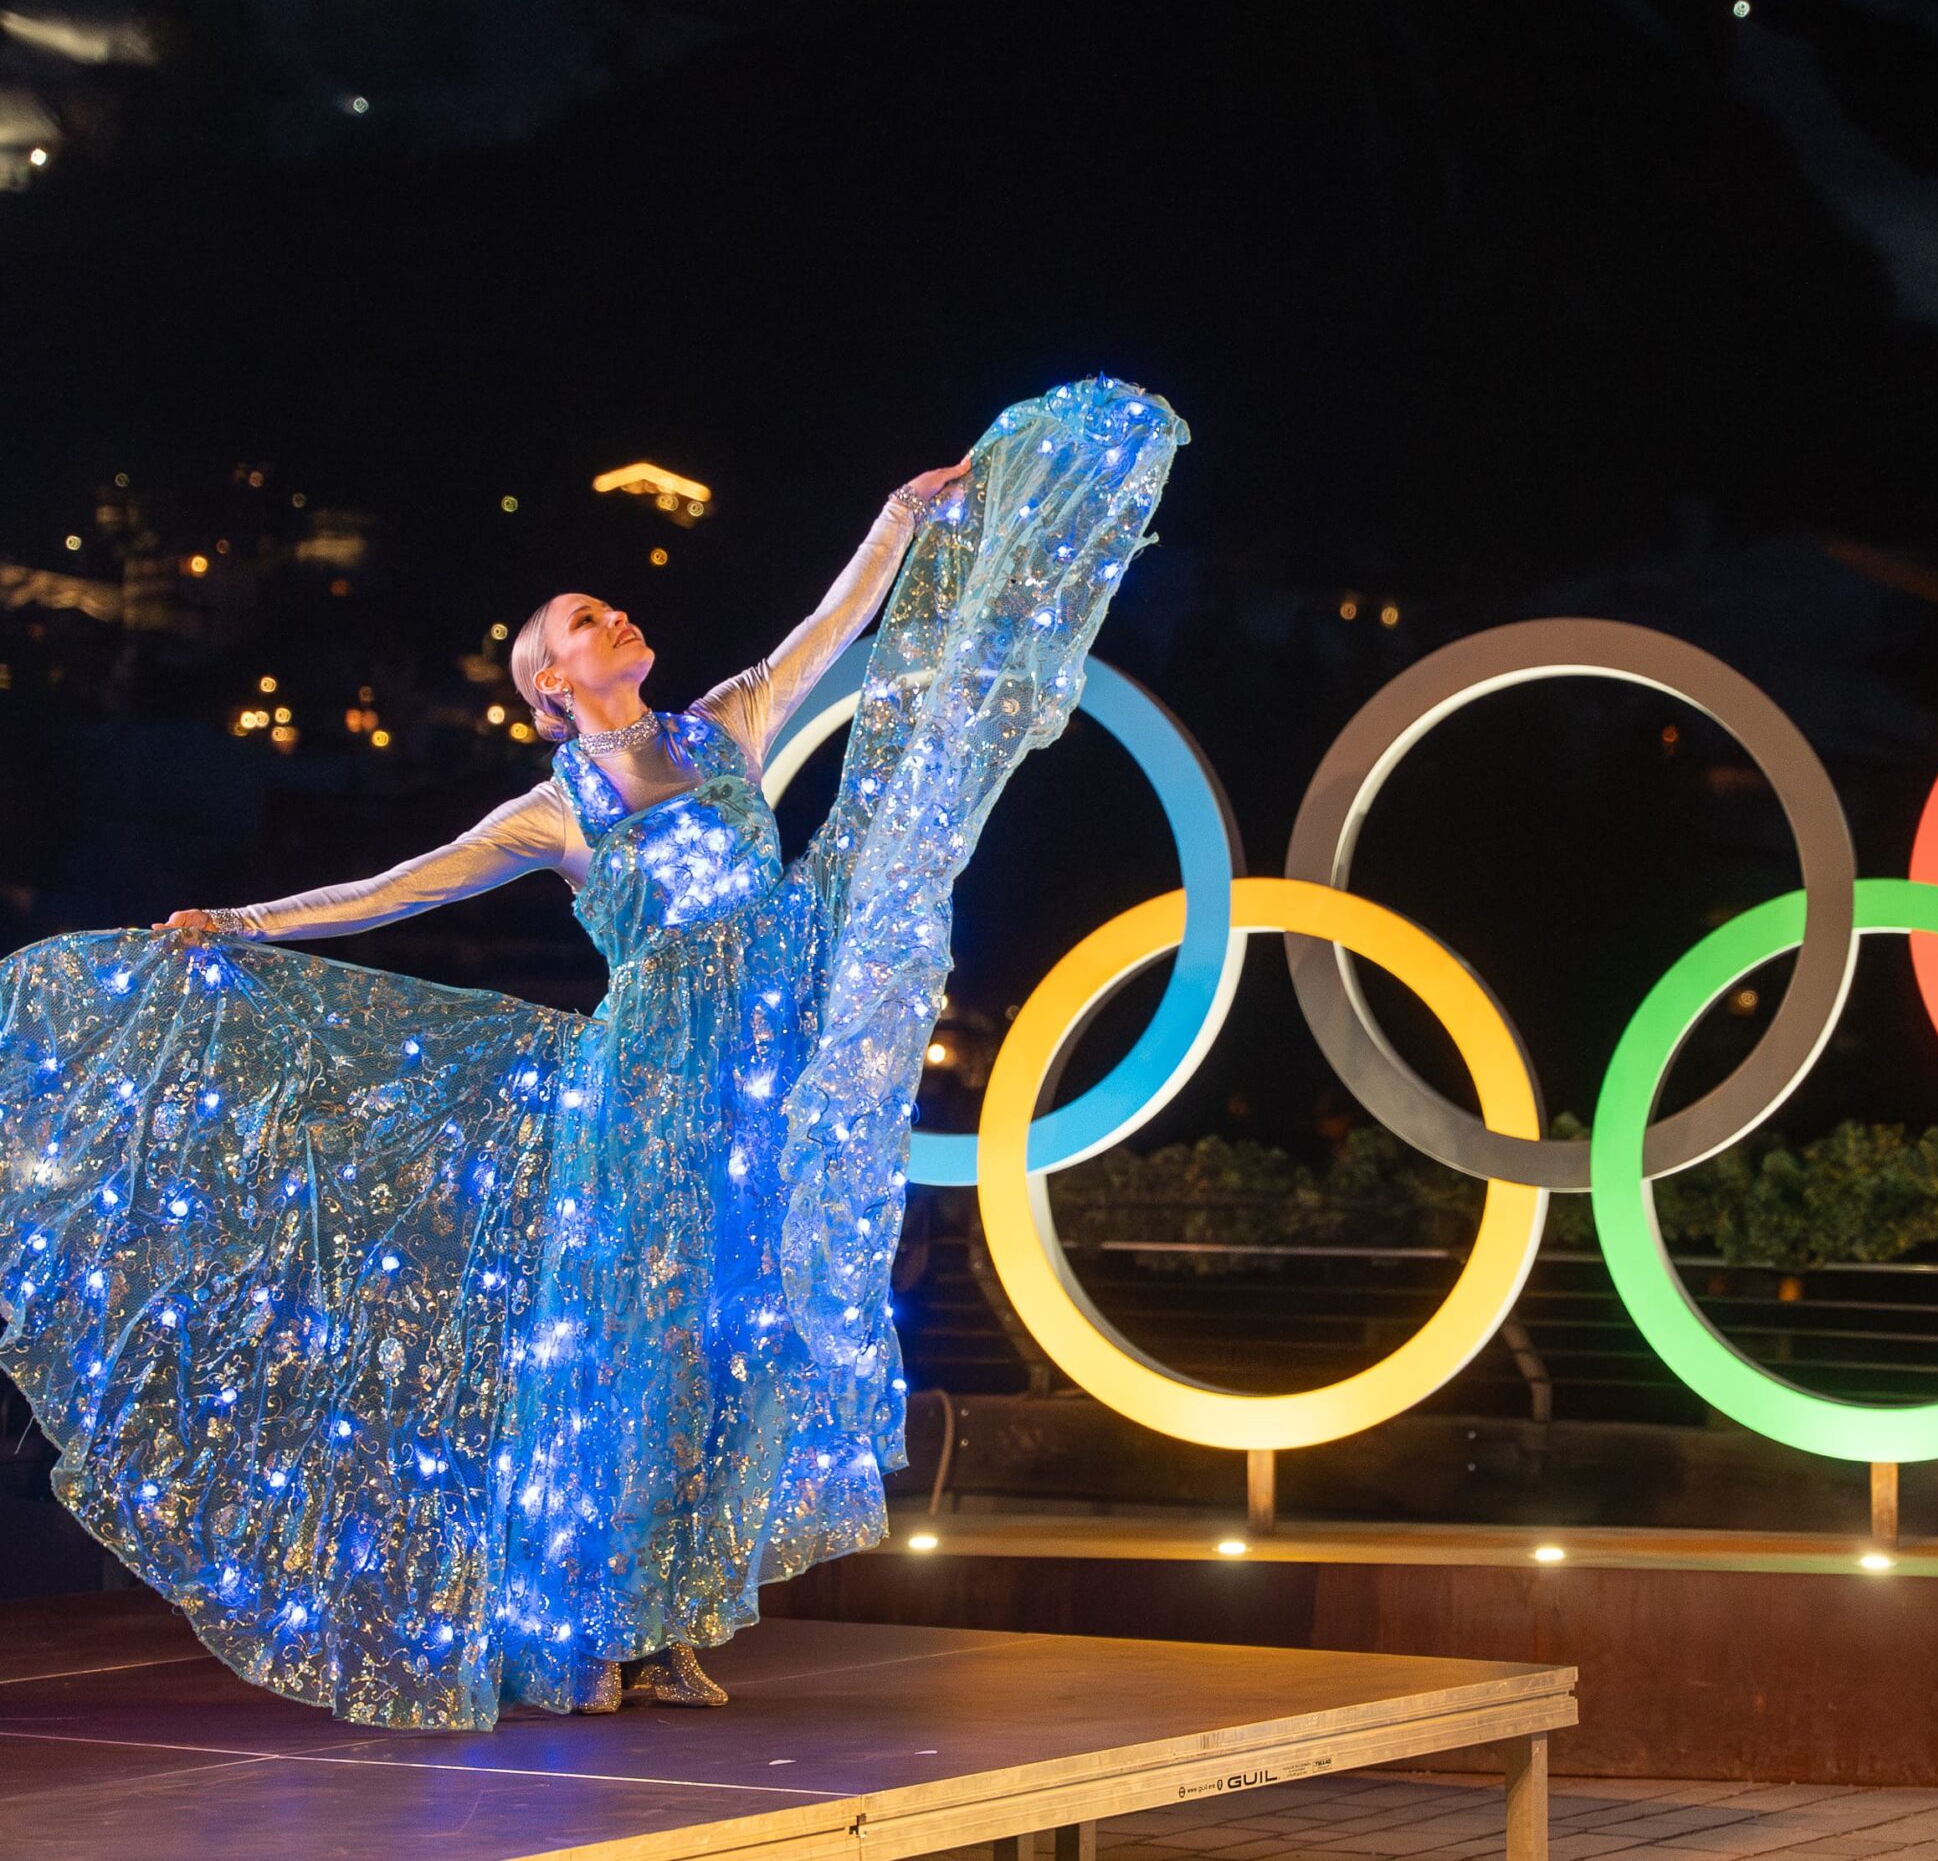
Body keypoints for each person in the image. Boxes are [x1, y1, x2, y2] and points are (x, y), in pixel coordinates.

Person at [0, 376, 1186, 1730]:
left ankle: (673, 1621)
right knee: (627, 1362)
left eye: (611, 608)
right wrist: (242, 923)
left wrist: (900, 516)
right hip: (640, 1099)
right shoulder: (549, 815)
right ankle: (595, 1629)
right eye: (582, 622)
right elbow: (393, 890)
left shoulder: (726, 726)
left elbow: (834, 627)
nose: (613, 618)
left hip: (761, 1090)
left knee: (728, 1353)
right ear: (551, 686)